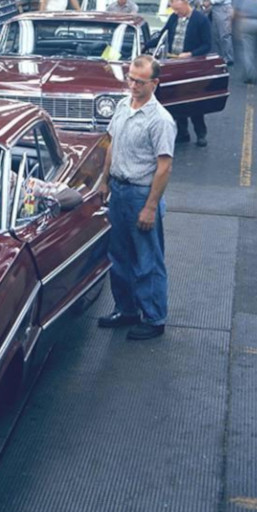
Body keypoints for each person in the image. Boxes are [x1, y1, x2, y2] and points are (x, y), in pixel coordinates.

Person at [98, 54, 176, 341]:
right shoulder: (122, 106)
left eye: (140, 82)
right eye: (130, 78)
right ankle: (127, 309)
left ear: (155, 83)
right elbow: (111, 144)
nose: (133, 85)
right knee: (119, 256)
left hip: (141, 194)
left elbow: (165, 166)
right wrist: (104, 181)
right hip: (118, 191)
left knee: (147, 259)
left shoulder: (161, 121)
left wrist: (150, 206)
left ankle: (154, 318)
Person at [158, 0, 211, 146]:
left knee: (194, 101)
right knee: (176, 98)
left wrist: (191, 54)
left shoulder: (201, 20)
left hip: (191, 66)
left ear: (185, 2)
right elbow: (163, 34)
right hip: (173, 64)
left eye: (178, 9)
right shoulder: (174, 17)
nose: (176, 13)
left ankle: (201, 134)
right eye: (174, 10)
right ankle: (183, 132)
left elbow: (207, 45)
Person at [204, 0, 234, 65]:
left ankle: (228, 58)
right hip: (219, 10)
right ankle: (220, 56)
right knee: (216, 34)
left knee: (224, 35)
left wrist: (210, 2)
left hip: (223, 9)